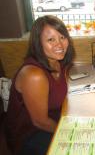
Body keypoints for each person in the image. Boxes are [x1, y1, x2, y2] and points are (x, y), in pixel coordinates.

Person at [5, 15, 75, 155]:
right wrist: (69, 133)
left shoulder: (58, 61)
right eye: (51, 40)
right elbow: (40, 122)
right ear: (38, 43)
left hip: (52, 120)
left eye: (62, 37)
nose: (60, 45)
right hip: (30, 134)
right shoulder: (34, 75)